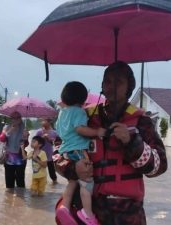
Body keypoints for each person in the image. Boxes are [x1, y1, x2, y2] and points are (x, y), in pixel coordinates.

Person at [55, 61, 168, 225]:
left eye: (119, 82)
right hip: (88, 212)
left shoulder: (141, 121)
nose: (112, 86)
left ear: (129, 86)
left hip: (128, 214)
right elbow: (58, 150)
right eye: (108, 81)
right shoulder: (85, 116)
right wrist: (72, 168)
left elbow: (160, 166)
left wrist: (132, 143)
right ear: (101, 85)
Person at [56, 81, 106, 225]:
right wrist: (96, 131)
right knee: (87, 183)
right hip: (78, 150)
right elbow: (80, 129)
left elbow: (60, 131)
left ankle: (64, 207)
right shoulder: (79, 111)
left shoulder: (62, 113)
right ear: (83, 98)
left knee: (72, 181)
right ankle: (87, 214)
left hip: (65, 150)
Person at [0, 111, 29, 189]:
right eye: (13, 118)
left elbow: (26, 144)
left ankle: (21, 199)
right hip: (8, 158)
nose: (15, 119)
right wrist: (10, 130)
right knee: (9, 184)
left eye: (17, 117)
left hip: (20, 157)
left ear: (20, 119)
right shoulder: (6, 127)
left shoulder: (24, 128)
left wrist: (26, 138)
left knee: (20, 183)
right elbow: (1, 139)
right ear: (10, 119)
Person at [36, 118, 59, 184]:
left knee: (51, 170)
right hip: (40, 154)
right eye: (42, 121)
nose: (43, 122)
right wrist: (42, 138)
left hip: (49, 154)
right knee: (39, 170)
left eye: (45, 120)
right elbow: (34, 142)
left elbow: (55, 143)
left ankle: (54, 182)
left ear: (49, 122)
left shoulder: (54, 132)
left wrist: (48, 138)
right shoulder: (39, 132)